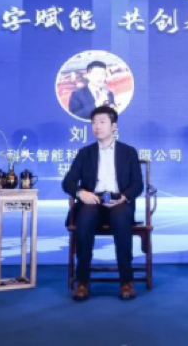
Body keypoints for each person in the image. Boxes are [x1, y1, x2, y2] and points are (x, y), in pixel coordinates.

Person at [62, 106, 143, 301]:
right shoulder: (85, 153)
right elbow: (68, 181)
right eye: (93, 123)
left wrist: (124, 197)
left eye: (102, 122)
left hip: (118, 199)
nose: (96, 126)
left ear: (114, 126)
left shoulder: (128, 152)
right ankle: (82, 282)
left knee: (121, 219)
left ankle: (126, 281)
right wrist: (81, 193)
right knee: (84, 219)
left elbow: (138, 184)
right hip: (93, 199)